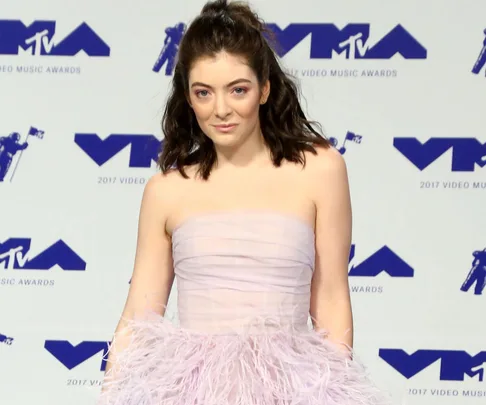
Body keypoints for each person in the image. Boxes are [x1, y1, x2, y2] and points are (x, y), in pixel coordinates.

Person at [97, 1, 392, 404]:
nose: (221, 110)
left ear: (264, 88)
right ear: (188, 97)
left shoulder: (320, 170)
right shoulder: (166, 189)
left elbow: (331, 298)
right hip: (192, 393)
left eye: (238, 89)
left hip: (291, 389)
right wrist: (109, 396)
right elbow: (138, 317)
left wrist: (333, 391)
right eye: (204, 93)